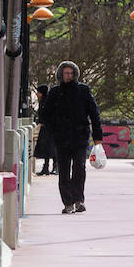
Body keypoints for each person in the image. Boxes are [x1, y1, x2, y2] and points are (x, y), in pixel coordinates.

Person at [38, 60, 104, 214]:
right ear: (61, 75)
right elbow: (45, 115)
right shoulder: (55, 92)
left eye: (71, 73)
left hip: (80, 137)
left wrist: (97, 135)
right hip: (61, 138)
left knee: (79, 168)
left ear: (75, 74)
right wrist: (54, 130)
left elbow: (94, 113)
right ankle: (68, 202)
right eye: (66, 73)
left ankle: (78, 200)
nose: (68, 75)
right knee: (64, 170)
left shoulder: (83, 90)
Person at [33, 83, 56, 175]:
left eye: (38, 92)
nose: (37, 94)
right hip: (45, 127)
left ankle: (55, 167)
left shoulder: (48, 101)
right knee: (46, 149)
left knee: (52, 148)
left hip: (51, 128)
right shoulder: (42, 101)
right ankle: (46, 167)